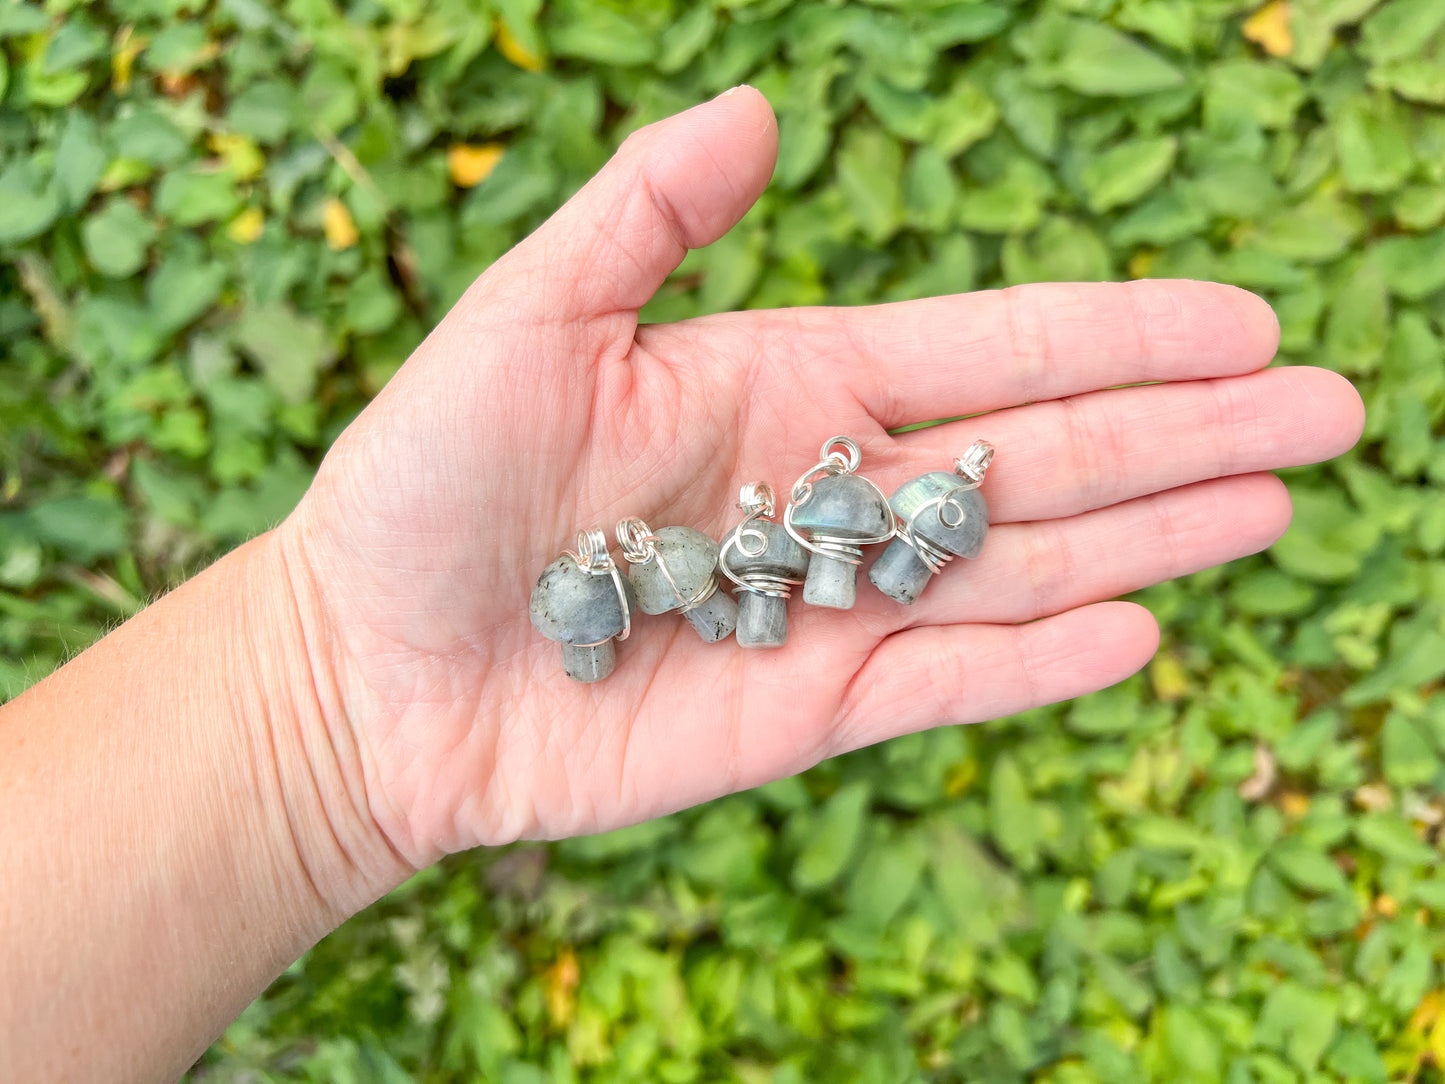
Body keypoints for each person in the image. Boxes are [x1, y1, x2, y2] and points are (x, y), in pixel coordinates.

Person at [0, 87, 1364, 1082]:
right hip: (715, 557)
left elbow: (793, 561)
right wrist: (327, 695)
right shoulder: (667, 575)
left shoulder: (797, 550)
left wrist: (318, 726)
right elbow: (706, 581)